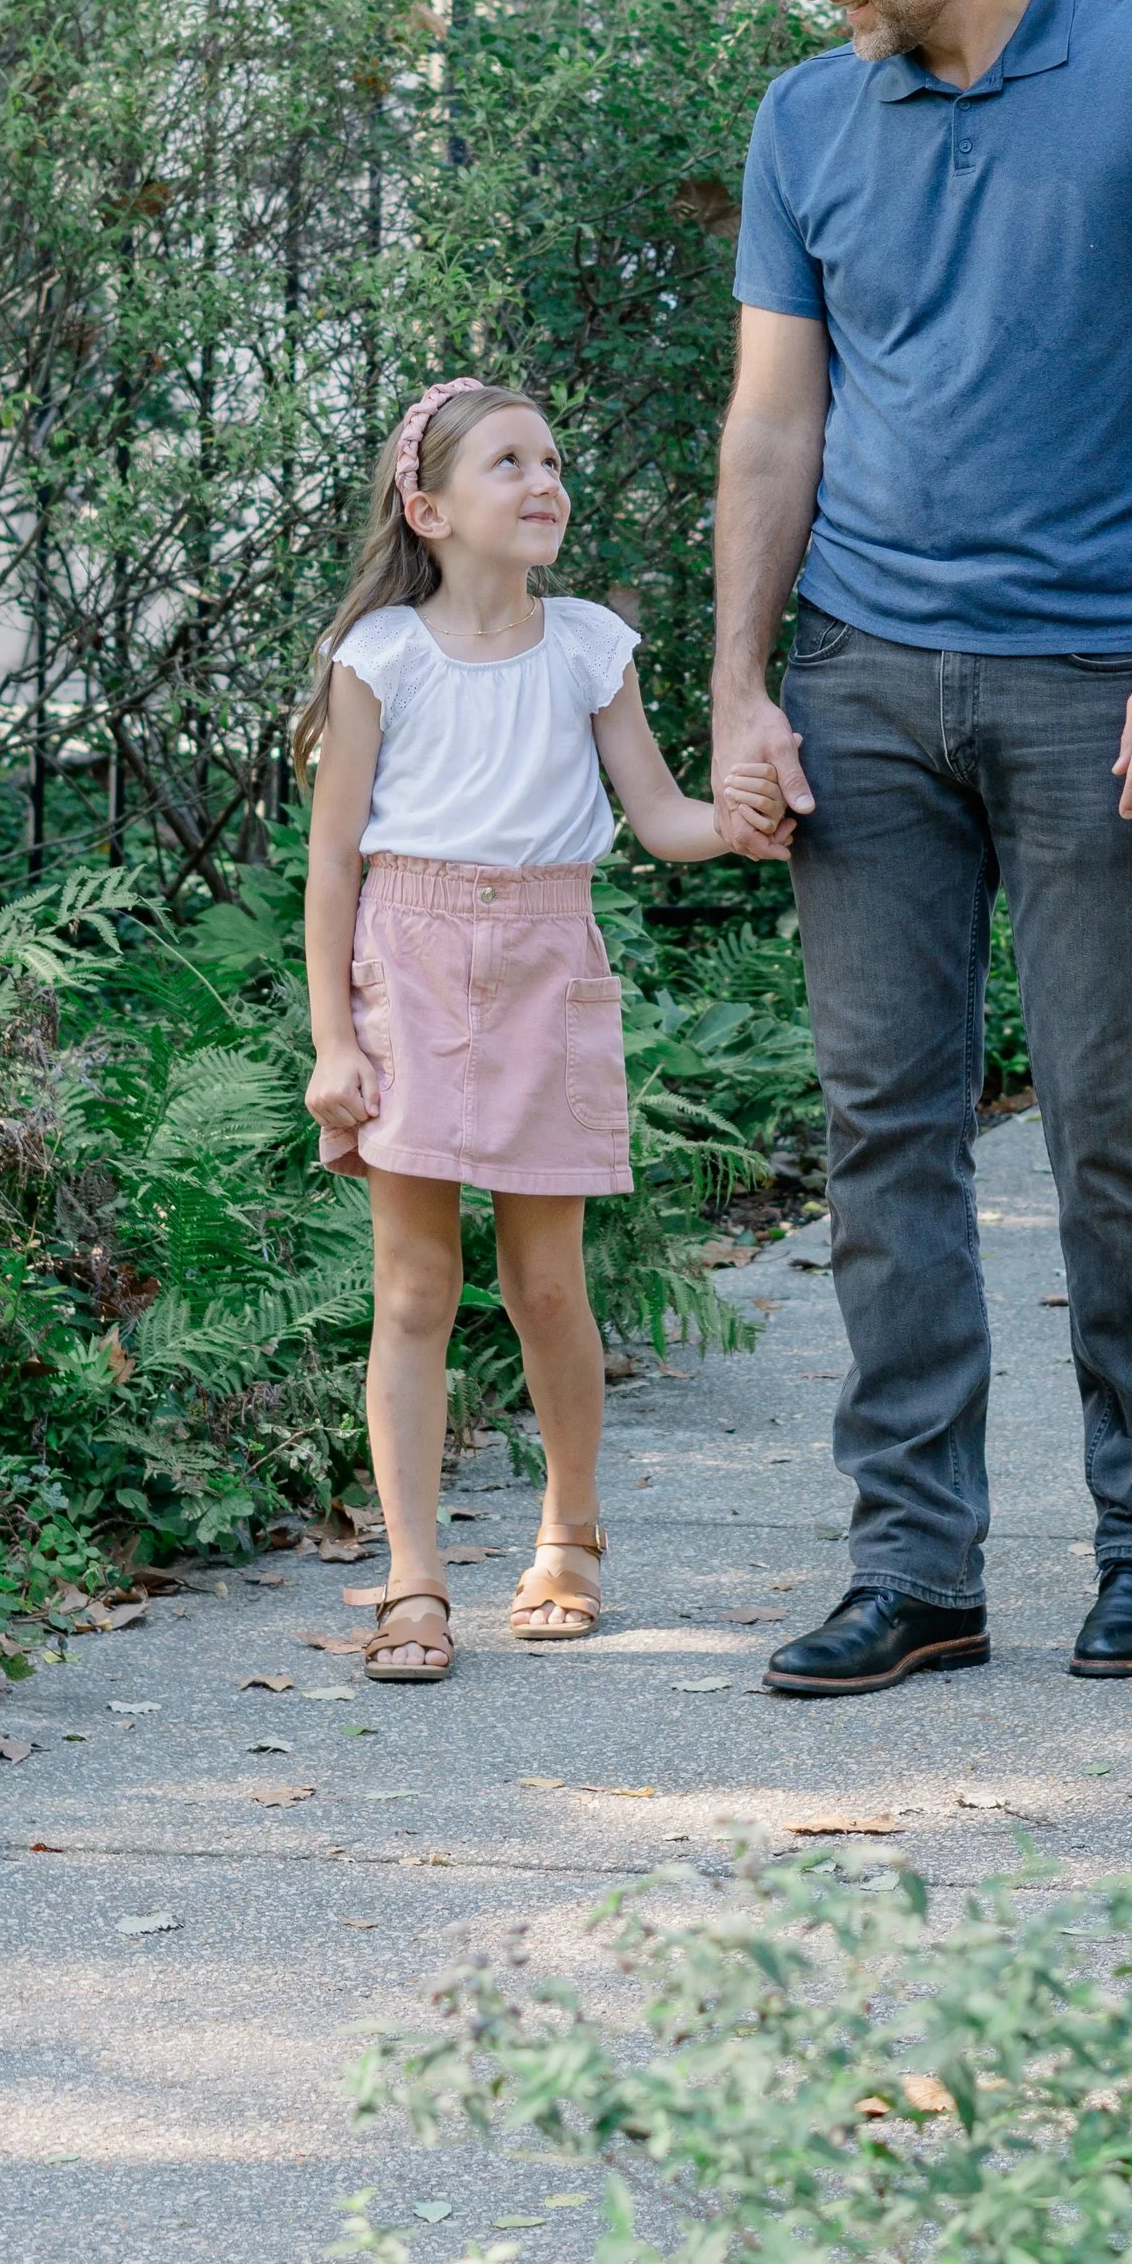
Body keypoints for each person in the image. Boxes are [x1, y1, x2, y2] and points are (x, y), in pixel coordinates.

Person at [712, 0, 1132, 1697]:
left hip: (1091, 689)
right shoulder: (805, 122)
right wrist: (733, 690)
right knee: (879, 1132)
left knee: (1116, 1124)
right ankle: (915, 1567)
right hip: (863, 687)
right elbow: (772, 425)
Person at [299, 378, 767, 1684]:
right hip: (412, 961)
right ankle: (412, 1580)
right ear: (430, 505)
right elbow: (333, 864)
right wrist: (335, 1041)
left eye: (553, 458)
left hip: (552, 964)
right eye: (509, 461)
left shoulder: (588, 647)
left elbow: (664, 817)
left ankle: (570, 1529)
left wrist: (758, 809)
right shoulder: (378, 659)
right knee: (414, 1288)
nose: (544, 478)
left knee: (546, 1285)